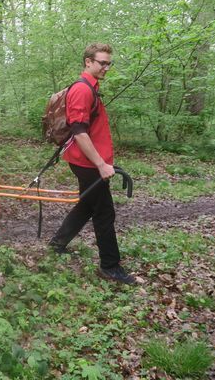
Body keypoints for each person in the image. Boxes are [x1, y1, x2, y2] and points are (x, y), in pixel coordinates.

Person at [48, 43, 135, 285]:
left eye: (109, 63)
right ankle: (110, 266)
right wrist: (101, 164)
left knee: (87, 206)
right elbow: (79, 132)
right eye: (102, 63)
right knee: (104, 213)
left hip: (89, 161)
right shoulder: (83, 90)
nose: (106, 67)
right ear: (88, 62)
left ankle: (57, 244)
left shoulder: (92, 89)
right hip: (87, 163)